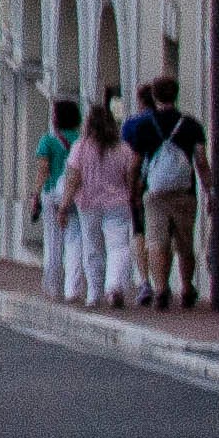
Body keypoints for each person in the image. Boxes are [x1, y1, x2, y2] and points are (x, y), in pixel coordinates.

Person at [130, 79, 209, 311]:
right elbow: (201, 161)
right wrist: (209, 189)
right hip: (185, 193)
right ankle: (186, 288)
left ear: (154, 97)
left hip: (154, 194)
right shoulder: (191, 125)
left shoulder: (145, 127)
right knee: (185, 242)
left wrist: (134, 189)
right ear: (176, 95)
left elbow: (134, 164)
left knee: (156, 241)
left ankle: (161, 290)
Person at [61, 98, 141, 309]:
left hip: (88, 204)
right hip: (118, 203)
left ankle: (94, 294)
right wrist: (132, 192)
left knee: (92, 248)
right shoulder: (123, 148)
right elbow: (131, 174)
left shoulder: (80, 147)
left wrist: (65, 204)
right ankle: (114, 285)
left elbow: (73, 177)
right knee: (118, 246)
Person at [33, 97, 82, 299]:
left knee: (53, 241)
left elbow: (43, 170)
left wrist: (36, 194)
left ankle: (53, 287)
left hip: (52, 193)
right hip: (74, 195)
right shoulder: (80, 141)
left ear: (56, 119)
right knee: (75, 240)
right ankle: (73, 287)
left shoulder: (48, 141)